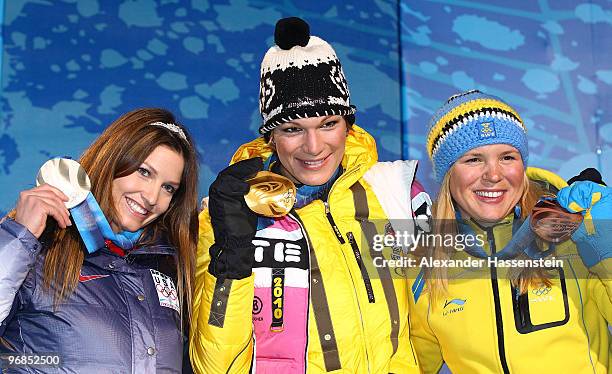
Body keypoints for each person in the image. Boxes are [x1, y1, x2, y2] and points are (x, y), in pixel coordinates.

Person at [190, 17, 430, 373]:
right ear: (271, 136)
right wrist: (232, 254)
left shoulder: (392, 191)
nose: (314, 147)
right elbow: (214, 367)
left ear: (348, 126)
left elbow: (429, 326)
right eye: (292, 129)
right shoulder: (227, 214)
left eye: (328, 124)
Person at [409, 90, 611, 373]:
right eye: (473, 160)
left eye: (507, 157)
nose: (493, 175)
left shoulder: (573, 230)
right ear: (447, 175)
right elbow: (411, 363)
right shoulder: (427, 264)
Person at [0, 108, 199, 373]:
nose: (152, 197)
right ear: (113, 162)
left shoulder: (169, 267)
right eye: (144, 172)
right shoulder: (41, 247)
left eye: (168, 188)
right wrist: (19, 236)